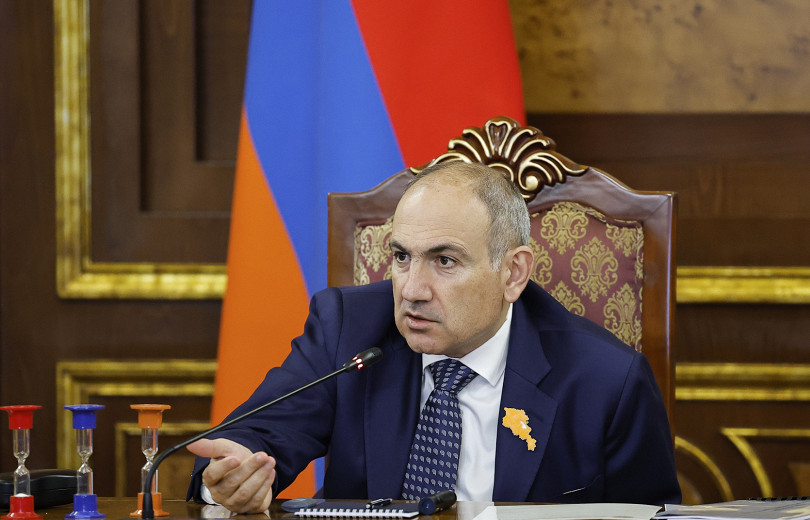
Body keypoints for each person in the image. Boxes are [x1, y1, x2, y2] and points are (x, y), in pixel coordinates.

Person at [186, 162, 681, 512]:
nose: (412, 290)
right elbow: (250, 439)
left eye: (445, 261)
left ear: (513, 273)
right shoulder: (348, 330)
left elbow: (649, 516)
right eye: (402, 257)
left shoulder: (606, 380)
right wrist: (228, 481)